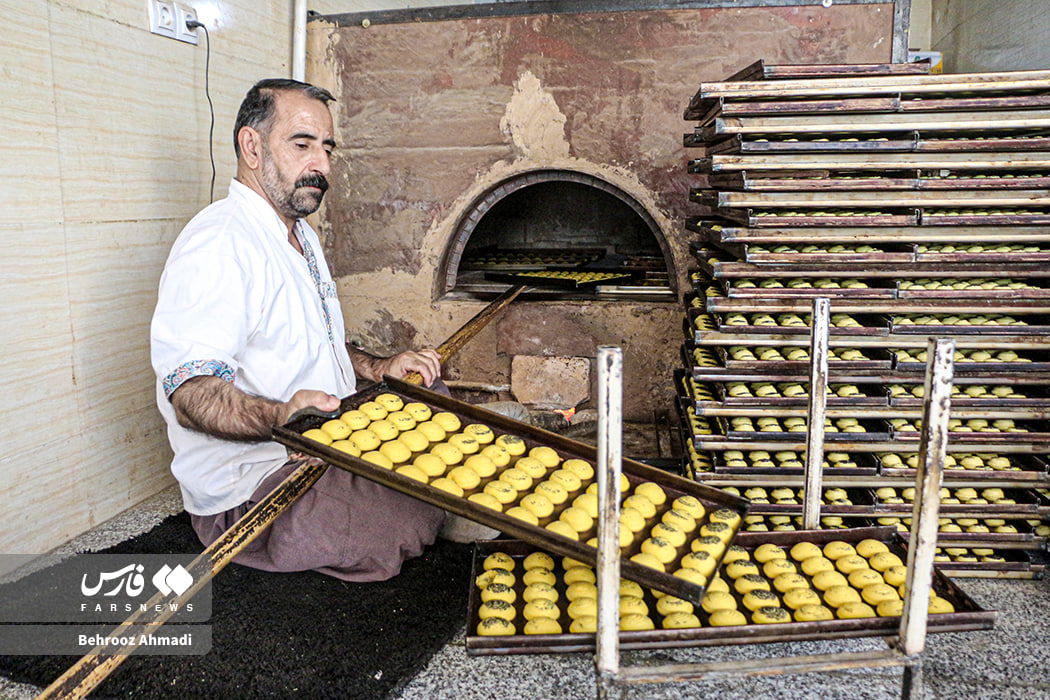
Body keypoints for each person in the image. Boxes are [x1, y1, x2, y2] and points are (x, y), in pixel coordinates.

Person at [150, 78, 451, 582]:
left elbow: (320, 341)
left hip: (329, 432)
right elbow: (191, 393)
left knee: (429, 395)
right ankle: (435, 508)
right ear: (251, 146)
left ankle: (438, 499)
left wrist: (378, 368)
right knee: (395, 522)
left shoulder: (300, 234)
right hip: (259, 480)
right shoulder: (218, 245)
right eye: (302, 144)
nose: (322, 165)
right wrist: (282, 418)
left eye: (327, 148)